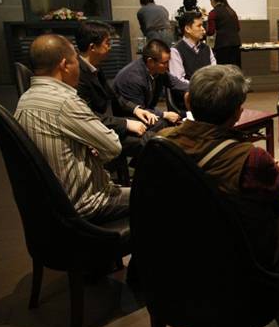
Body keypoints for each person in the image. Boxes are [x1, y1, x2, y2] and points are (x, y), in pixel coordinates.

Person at [160, 65, 279, 268]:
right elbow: (275, 190)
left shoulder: (161, 142)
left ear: (187, 100)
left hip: (175, 248)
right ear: (238, 113)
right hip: (232, 258)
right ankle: (278, 278)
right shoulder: (252, 158)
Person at [14, 34, 128, 222]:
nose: (79, 68)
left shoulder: (25, 99)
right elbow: (113, 147)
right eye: (76, 61)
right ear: (65, 65)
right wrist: (94, 148)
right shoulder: (65, 102)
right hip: (88, 203)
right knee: (163, 193)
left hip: (53, 204)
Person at [75, 21, 165, 158]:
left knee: (158, 124)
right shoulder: (77, 74)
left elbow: (114, 96)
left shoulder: (94, 66)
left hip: (112, 120)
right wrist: (126, 123)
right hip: (99, 132)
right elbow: (88, 116)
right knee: (154, 142)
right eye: (107, 43)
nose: (110, 47)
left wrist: (136, 110)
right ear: (92, 47)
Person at [112, 39, 187, 125]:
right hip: (128, 119)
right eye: (164, 63)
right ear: (150, 61)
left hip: (147, 111)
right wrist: (164, 114)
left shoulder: (158, 70)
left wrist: (196, 88)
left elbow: (176, 83)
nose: (168, 66)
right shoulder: (133, 78)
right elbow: (140, 110)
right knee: (164, 123)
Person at [169, 11, 217, 83]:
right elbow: (178, 80)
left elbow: (215, 72)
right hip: (189, 89)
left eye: (202, 25)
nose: (203, 29)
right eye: (199, 26)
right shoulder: (176, 51)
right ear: (187, 29)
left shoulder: (207, 48)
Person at [206, 0, 242, 68]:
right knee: (235, 69)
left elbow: (211, 32)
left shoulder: (213, 13)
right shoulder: (231, 11)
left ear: (212, 1)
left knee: (223, 70)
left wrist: (203, 33)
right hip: (236, 43)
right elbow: (238, 28)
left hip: (222, 45)